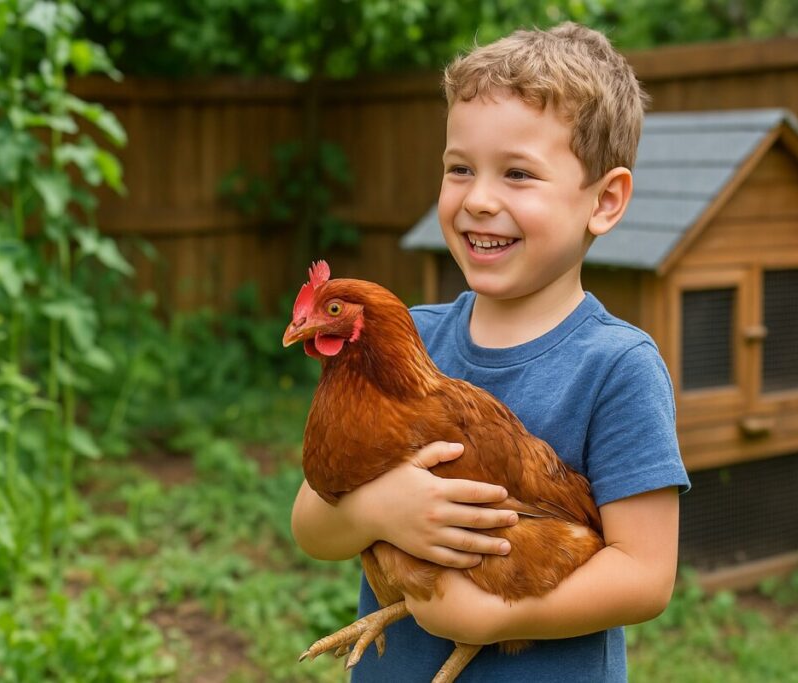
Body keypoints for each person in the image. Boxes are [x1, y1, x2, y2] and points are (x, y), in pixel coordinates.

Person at [290, 21, 690, 682]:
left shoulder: (617, 367)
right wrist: (379, 509)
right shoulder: (407, 339)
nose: (478, 199)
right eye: (460, 169)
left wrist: (492, 618)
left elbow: (644, 575)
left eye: (517, 173)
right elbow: (312, 524)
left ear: (605, 200)